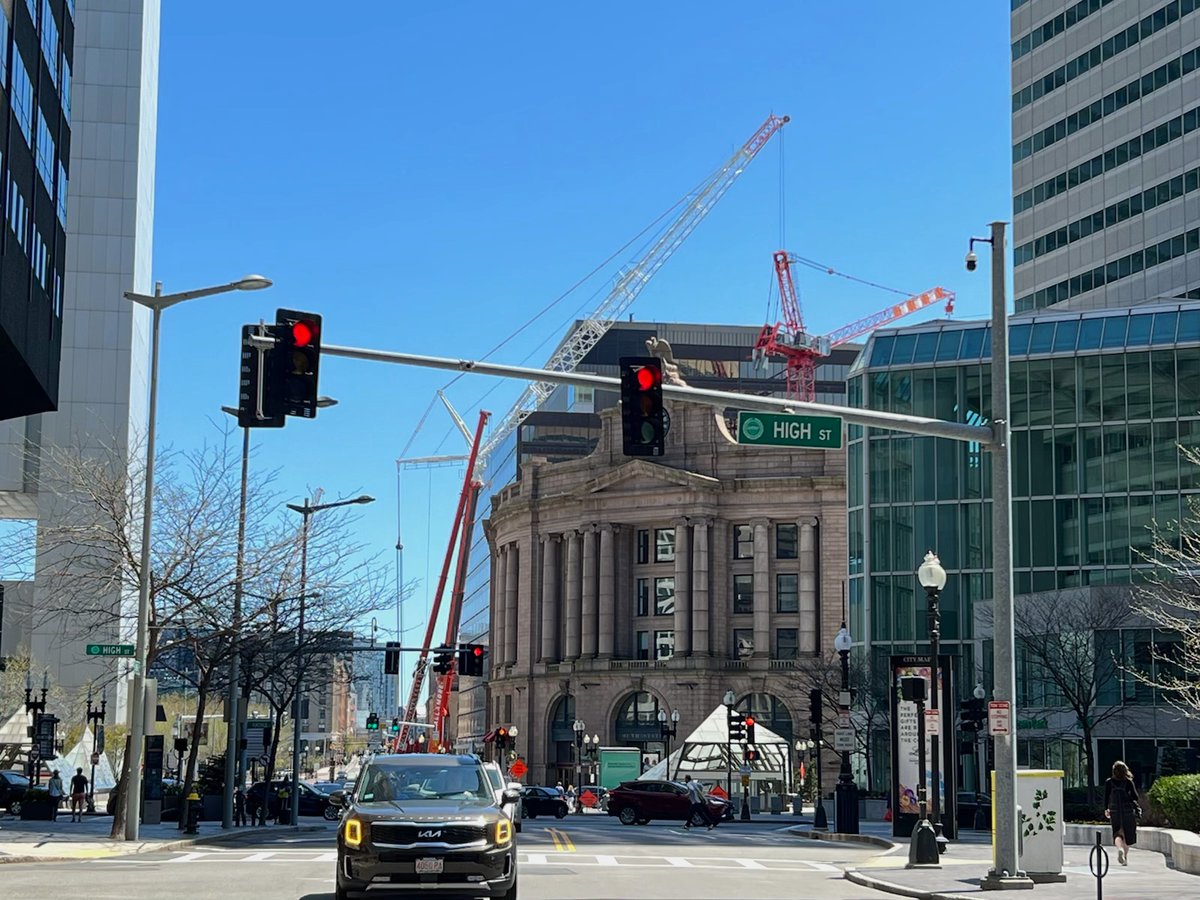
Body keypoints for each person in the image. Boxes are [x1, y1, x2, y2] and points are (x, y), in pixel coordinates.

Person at [1104, 760, 1139, 866]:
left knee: (1117, 834)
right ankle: (1125, 858)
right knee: (1128, 836)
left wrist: (1106, 809)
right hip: (1127, 811)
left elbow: (1106, 797)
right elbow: (1135, 797)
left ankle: (1120, 849)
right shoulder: (1128, 782)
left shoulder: (1109, 782)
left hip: (1115, 811)